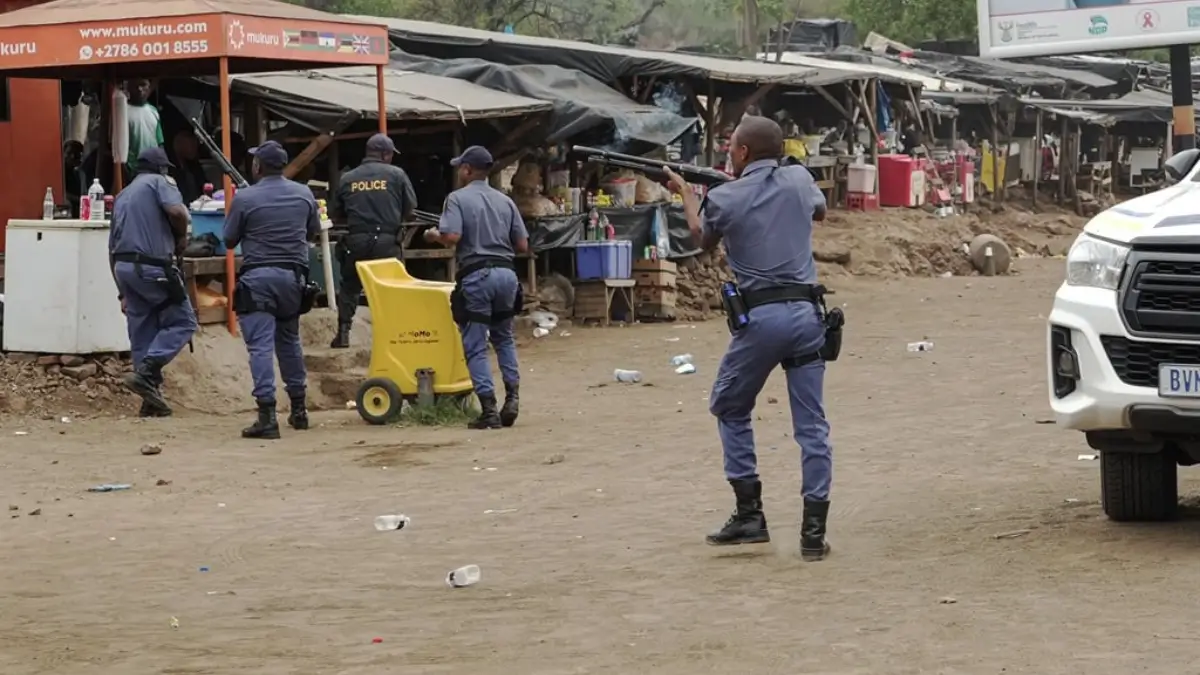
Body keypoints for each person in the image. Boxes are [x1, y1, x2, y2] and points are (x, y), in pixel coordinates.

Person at [662, 115, 834, 561]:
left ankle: (750, 515)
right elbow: (819, 209)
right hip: (807, 314)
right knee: (812, 427)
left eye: (732, 147)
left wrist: (685, 193)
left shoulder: (726, 195)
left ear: (741, 153)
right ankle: (813, 534)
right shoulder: (798, 178)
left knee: (729, 406)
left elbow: (700, 239)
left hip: (762, 319)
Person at [223, 141, 321, 440]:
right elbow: (312, 231)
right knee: (289, 341)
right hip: (293, 281)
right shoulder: (304, 193)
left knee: (261, 347)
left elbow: (228, 240)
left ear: (258, 166)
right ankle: (299, 409)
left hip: (258, 279)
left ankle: (267, 415)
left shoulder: (245, 197)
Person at [424, 145, 527, 429]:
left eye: (461, 167)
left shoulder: (456, 199)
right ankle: (513, 399)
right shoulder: (505, 201)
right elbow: (522, 244)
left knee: (476, 345)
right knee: (504, 338)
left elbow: (452, 235)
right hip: (507, 276)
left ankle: (489, 410)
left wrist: (434, 235)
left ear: (468, 170)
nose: (459, 172)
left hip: (477, 276)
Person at [108, 147, 197, 417]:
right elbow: (177, 212)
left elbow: (110, 246)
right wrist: (181, 236)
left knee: (142, 329)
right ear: (162, 169)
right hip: (153, 266)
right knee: (184, 321)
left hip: (124, 269)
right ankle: (146, 373)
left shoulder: (123, 195)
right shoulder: (162, 183)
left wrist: (121, 291)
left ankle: (151, 401)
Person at [327, 133, 417, 348]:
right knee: (392, 287)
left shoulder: (347, 178)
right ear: (385, 154)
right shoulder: (397, 175)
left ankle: (343, 333)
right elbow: (410, 209)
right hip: (387, 241)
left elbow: (335, 213)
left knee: (349, 286)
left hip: (356, 241)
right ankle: (393, 335)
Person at [124, 79, 164, 176]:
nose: (139, 89)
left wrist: (162, 164)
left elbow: (160, 142)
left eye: (143, 85)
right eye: (135, 86)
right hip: (135, 169)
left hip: (154, 168)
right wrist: (130, 167)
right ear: (128, 88)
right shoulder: (123, 112)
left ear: (149, 87)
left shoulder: (153, 111)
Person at [168, 129, 207, 205]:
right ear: (177, 141)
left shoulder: (194, 166)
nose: (195, 143)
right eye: (189, 137)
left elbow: (204, 186)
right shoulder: (168, 169)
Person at [63, 140, 86, 217]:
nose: (72, 157)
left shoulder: (78, 172)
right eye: (69, 154)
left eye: (78, 155)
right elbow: (60, 193)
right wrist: (78, 199)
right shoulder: (60, 172)